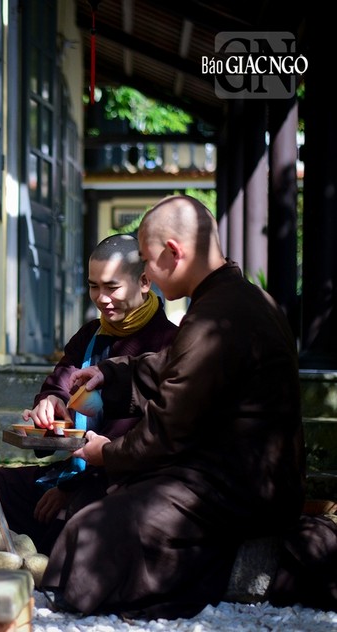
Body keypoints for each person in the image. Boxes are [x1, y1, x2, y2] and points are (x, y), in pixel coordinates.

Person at [42, 194, 306, 619]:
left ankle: (242, 572)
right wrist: (113, 375)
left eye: (146, 260)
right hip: (244, 480)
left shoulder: (216, 315)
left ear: (173, 253)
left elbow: (165, 434)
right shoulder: (247, 301)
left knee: (93, 530)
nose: (145, 272)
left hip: (239, 490)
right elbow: (177, 365)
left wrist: (104, 453)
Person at [0, 234, 177, 553]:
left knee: (75, 520)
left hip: (122, 480)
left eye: (112, 287)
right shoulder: (91, 336)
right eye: (94, 286)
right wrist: (49, 404)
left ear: (144, 282)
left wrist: (70, 488)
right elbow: (61, 382)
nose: (101, 298)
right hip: (73, 472)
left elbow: (141, 437)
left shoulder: (168, 345)